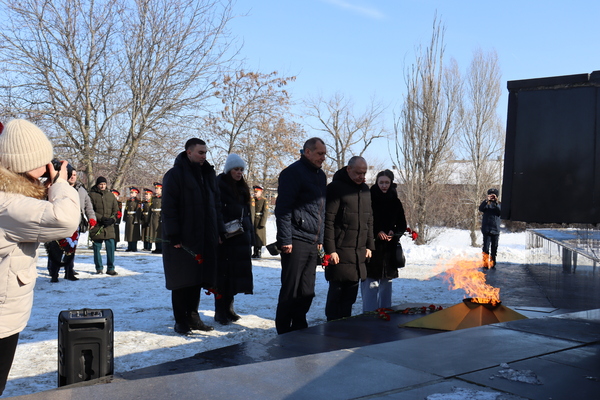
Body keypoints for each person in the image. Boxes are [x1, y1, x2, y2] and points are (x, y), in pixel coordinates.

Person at [0, 119, 80, 396]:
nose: (49, 167)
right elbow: (64, 219)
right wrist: (59, 184)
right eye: (43, 162)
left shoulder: (13, 194)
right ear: (24, 164)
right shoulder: (8, 203)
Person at [162, 138, 223, 335]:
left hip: (204, 236)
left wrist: (218, 231)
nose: (204, 156)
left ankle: (193, 317)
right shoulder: (175, 175)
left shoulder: (207, 174)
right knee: (182, 280)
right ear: (189, 152)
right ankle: (181, 320)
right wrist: (173, 234)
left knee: (198, 278)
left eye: (205, 152)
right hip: (183, 238)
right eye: (200, 152)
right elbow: (169, 207)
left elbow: (216, 206)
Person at [274, 137, 327, 334]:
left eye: (324, 154)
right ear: (308, 152)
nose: (323, 158)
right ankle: (283, 330)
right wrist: (285, 239)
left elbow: (321, 211)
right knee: (291, 288)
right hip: (295, 240)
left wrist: (320, 239)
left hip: (312, 241)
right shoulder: (292, 173)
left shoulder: (321, 176)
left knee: (307, 290)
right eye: (320, 153)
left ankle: (299, 325)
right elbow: (283, 209)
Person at [323, 156, 374, 321]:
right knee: (336, 294)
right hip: (340, 251)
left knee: (350, 296)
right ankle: (332, 326)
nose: (362, 176)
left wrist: (369, 245)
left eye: (364, 173)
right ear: (348, 169)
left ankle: (345, 326)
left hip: (358, 252)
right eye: (358, 173)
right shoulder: (335, 188)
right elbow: (328, 221)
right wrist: (331, 250)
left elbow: (369, 219)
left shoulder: (365, 190)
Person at [214, 154, 253, 325]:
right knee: (223, 276)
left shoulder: (242, 187)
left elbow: (247, 212)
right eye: (236, 169)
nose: (239, 172)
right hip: (226, 237)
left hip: (240, 236)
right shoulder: (219, 185)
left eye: (241, 170)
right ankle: (220, 311)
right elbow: (216, 211)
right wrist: (219, 232)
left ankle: (229, 309)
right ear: (229, 170)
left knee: (234, 276)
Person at [361, 169, 407, 312]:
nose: (384, 185)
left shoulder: (395, 201)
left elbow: (402, 224)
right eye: (381, 182)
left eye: (387, 182)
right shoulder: (369, 199)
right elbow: (364, 222)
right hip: (372, 247)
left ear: (391, 183)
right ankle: (369, 315)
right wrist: (376, 232)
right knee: (370, 284)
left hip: (389, 250)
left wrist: (394, 233)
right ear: (376, 182)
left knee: (386, 285)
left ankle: (386, 314)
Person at [46, 166, 97, 282]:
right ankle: (54, 273)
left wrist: (92, 218)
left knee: (71, 248)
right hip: (60, 223)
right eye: (71, 175)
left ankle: (69, 272)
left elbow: (88, 206)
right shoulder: (58, 188)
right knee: (57, 248)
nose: (73, 177)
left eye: (75, 175)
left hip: (75, 224)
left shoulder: (82, 190)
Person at [88, 176, 120, 275]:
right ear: (97, 185)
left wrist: (112, 219)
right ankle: (99, 268)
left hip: (109, 226)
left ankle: (110, 268)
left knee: (110, 248)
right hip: (97, 225)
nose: (103, 186)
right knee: (97, 248)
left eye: (104, 184)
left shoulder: (110, 195)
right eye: (101, 184)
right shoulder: (91, 195)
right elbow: (90, 210)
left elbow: (116, 210)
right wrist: (100, 218)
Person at [480, 188, 501, 269]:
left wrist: (496, 202)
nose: (492, 197)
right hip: (486, 229)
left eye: (493, 195)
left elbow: (500, 212)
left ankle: (493, 262)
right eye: (490, 195)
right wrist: (486, 200)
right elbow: (480, 209)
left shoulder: (499, 204)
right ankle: (485, 263)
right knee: (485, 247)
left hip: (495, 229)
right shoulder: (486, 204)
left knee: (494, 247)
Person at [251, 185, 268, 258]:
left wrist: (262, 223)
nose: (255, 193)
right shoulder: (252, 200)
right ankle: (255, 252)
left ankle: (259, 251)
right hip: (253, 220)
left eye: (256, 192)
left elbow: (265, 212)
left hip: (259, 220)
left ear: (260, 192)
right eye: (254, 192)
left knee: (259, 237)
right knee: (254, 237)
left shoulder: (264, 200)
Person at [124, 187, 142, 251]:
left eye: (132, 193)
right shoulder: (128, 201)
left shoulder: (138, 201)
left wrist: (136, 219)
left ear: (136, 193)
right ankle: (129, 246)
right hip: (129, 218)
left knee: (134, 233)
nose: (131, 194)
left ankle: (134, 247)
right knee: (128, 233)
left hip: (134, 218)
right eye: (130, 193)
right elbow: (126, 210)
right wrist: (124, 218)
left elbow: (138, 211)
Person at [149, 182, 163, 254]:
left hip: (159, 216)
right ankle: (157, 247)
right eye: (156, 188)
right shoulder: (153, 198)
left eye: (158, 189)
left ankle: (161, 248)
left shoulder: (163, 197)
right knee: (154, 232)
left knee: (159, 232)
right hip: (154, 216)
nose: (156, 190)